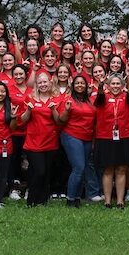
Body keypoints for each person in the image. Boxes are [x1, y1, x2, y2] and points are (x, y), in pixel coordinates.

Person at [93, 74, 129, 209]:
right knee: (108, 169)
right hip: (105, 137)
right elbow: (99, 98)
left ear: (122, 86)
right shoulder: (103, 97)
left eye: (118, 84)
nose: (115, 86)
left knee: (121, 169)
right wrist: (100, 86)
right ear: (108, 86)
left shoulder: (127, 97)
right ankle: (107, 201)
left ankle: (120, 201)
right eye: (112, 84)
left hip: (125, 136)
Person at [56, 75, 97, 208]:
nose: (80, 85)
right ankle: (70, 198)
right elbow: (61, 120)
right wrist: (67, 110)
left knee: (83, 168)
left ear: (86, 86)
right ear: (73, 86)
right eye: (77, 83)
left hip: (87, 137)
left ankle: (78, 197)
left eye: (82, 83)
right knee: (78, 167)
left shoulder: (90, 101)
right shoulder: (68, 100)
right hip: (71, 136)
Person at [23, 73, 59, 207]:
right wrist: (28, 110)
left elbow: (59, 121)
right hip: (33, 142)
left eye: (45, 82)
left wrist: (54, 109)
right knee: (39, 171)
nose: (43, 85)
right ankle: (31, 199)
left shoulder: (55, 99)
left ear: (50, 83)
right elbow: (23, 120)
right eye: (40, 83)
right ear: (36, 85)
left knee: (47, 172)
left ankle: (43, 200)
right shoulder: (30, 99)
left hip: (50, 141)